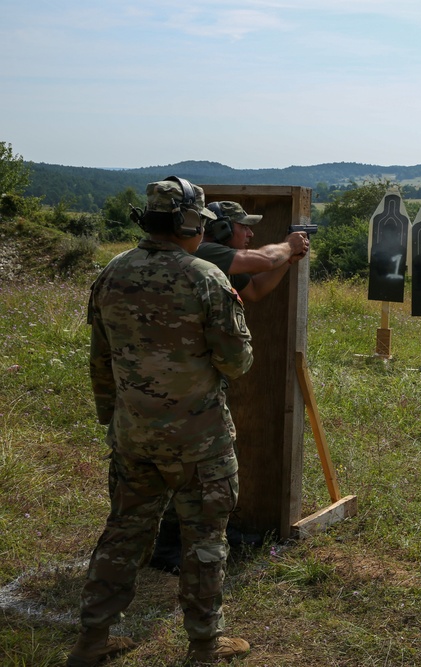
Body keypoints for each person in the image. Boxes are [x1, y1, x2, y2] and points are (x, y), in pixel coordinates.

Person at [67, 177, 254, 667]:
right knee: (205, 542)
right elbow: (237, 362)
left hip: (133, 438)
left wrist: (111, 416)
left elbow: (99, 359)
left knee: (123, 532)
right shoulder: (205, 278)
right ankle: (203, 647)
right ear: (189, 222)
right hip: (201, 442)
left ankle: (92, 640)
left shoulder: (111, 273)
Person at [147, 200, 310, 573]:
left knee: (185, 470)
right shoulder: (205, 252)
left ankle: (177, 540)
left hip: (173, 383)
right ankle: (175, 544)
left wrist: (288, 259)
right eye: (242, 226)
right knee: (196, 471)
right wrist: (287, 247)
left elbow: (254, 291)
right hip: (178, 386)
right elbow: (261, 261)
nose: (250, 233)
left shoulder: (211, 259)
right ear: (219, 229)